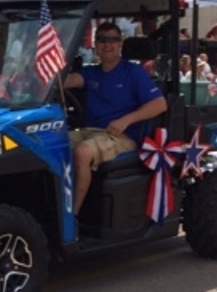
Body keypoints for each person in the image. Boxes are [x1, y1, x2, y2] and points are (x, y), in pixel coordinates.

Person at [62, 21, 168, 215]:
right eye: (102, 40)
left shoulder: (134, 73)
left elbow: (159, 104)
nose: (107, 45)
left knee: (82, 152)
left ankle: (72, 217)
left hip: (121, 136)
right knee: (50, 144)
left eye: (112, 40)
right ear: (96, 44)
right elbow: (66, 82)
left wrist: (126, 120)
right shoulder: (91, 72)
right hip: (90, 132)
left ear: (120, 44)